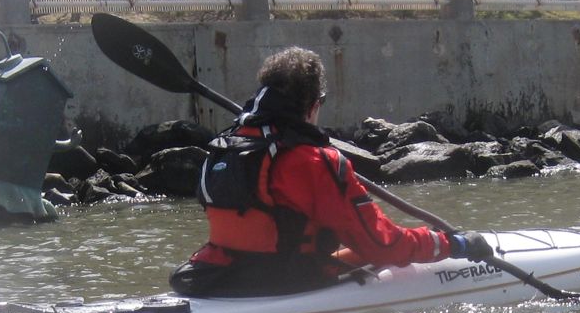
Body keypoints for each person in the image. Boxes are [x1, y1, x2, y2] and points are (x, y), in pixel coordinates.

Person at [169, 46, 492, 298]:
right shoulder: (314, 161)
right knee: (379, 253)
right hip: (285, 284)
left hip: (219, 277)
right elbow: (383, 245)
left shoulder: (222, 148)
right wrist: (452, 246)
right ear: (313, 104)